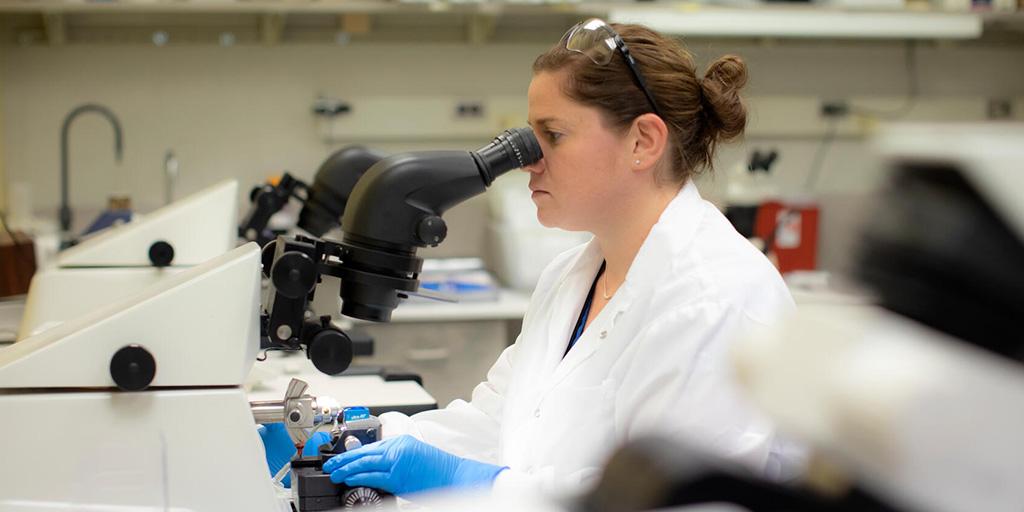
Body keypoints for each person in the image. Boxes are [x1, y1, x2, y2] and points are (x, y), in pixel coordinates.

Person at [261, 18, 801, 499]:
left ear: (642, 141)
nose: (528, 161)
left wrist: (481, 485)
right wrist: (358, 437)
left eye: (553, 135)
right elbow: (498, 425)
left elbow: (672, 503)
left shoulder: (714, 298)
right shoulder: (572, 276)